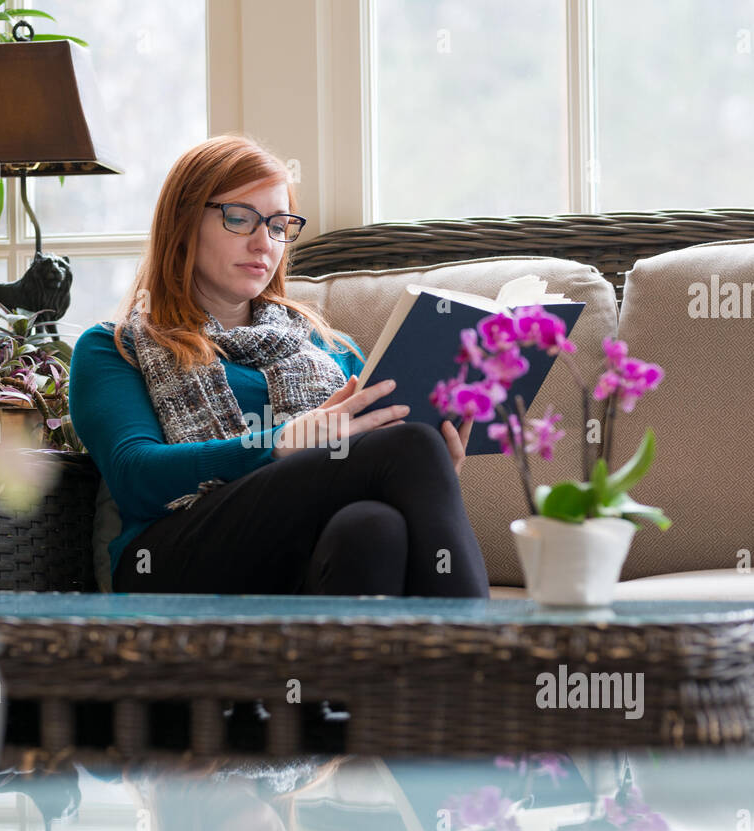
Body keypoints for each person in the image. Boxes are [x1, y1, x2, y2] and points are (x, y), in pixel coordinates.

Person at [69, 133, 490, 597]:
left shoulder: (333, 349)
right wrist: (282, 442)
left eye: (277, 225)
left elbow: (372, 473)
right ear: (184, 223)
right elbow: (136, 476)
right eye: (240, 218)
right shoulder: (114, 348)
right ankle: (490, 659)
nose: (263, 243)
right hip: (173, 557)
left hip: (305, 554)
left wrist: (439, 467)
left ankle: (360, 670)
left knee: (374, 526)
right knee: (408, 444)